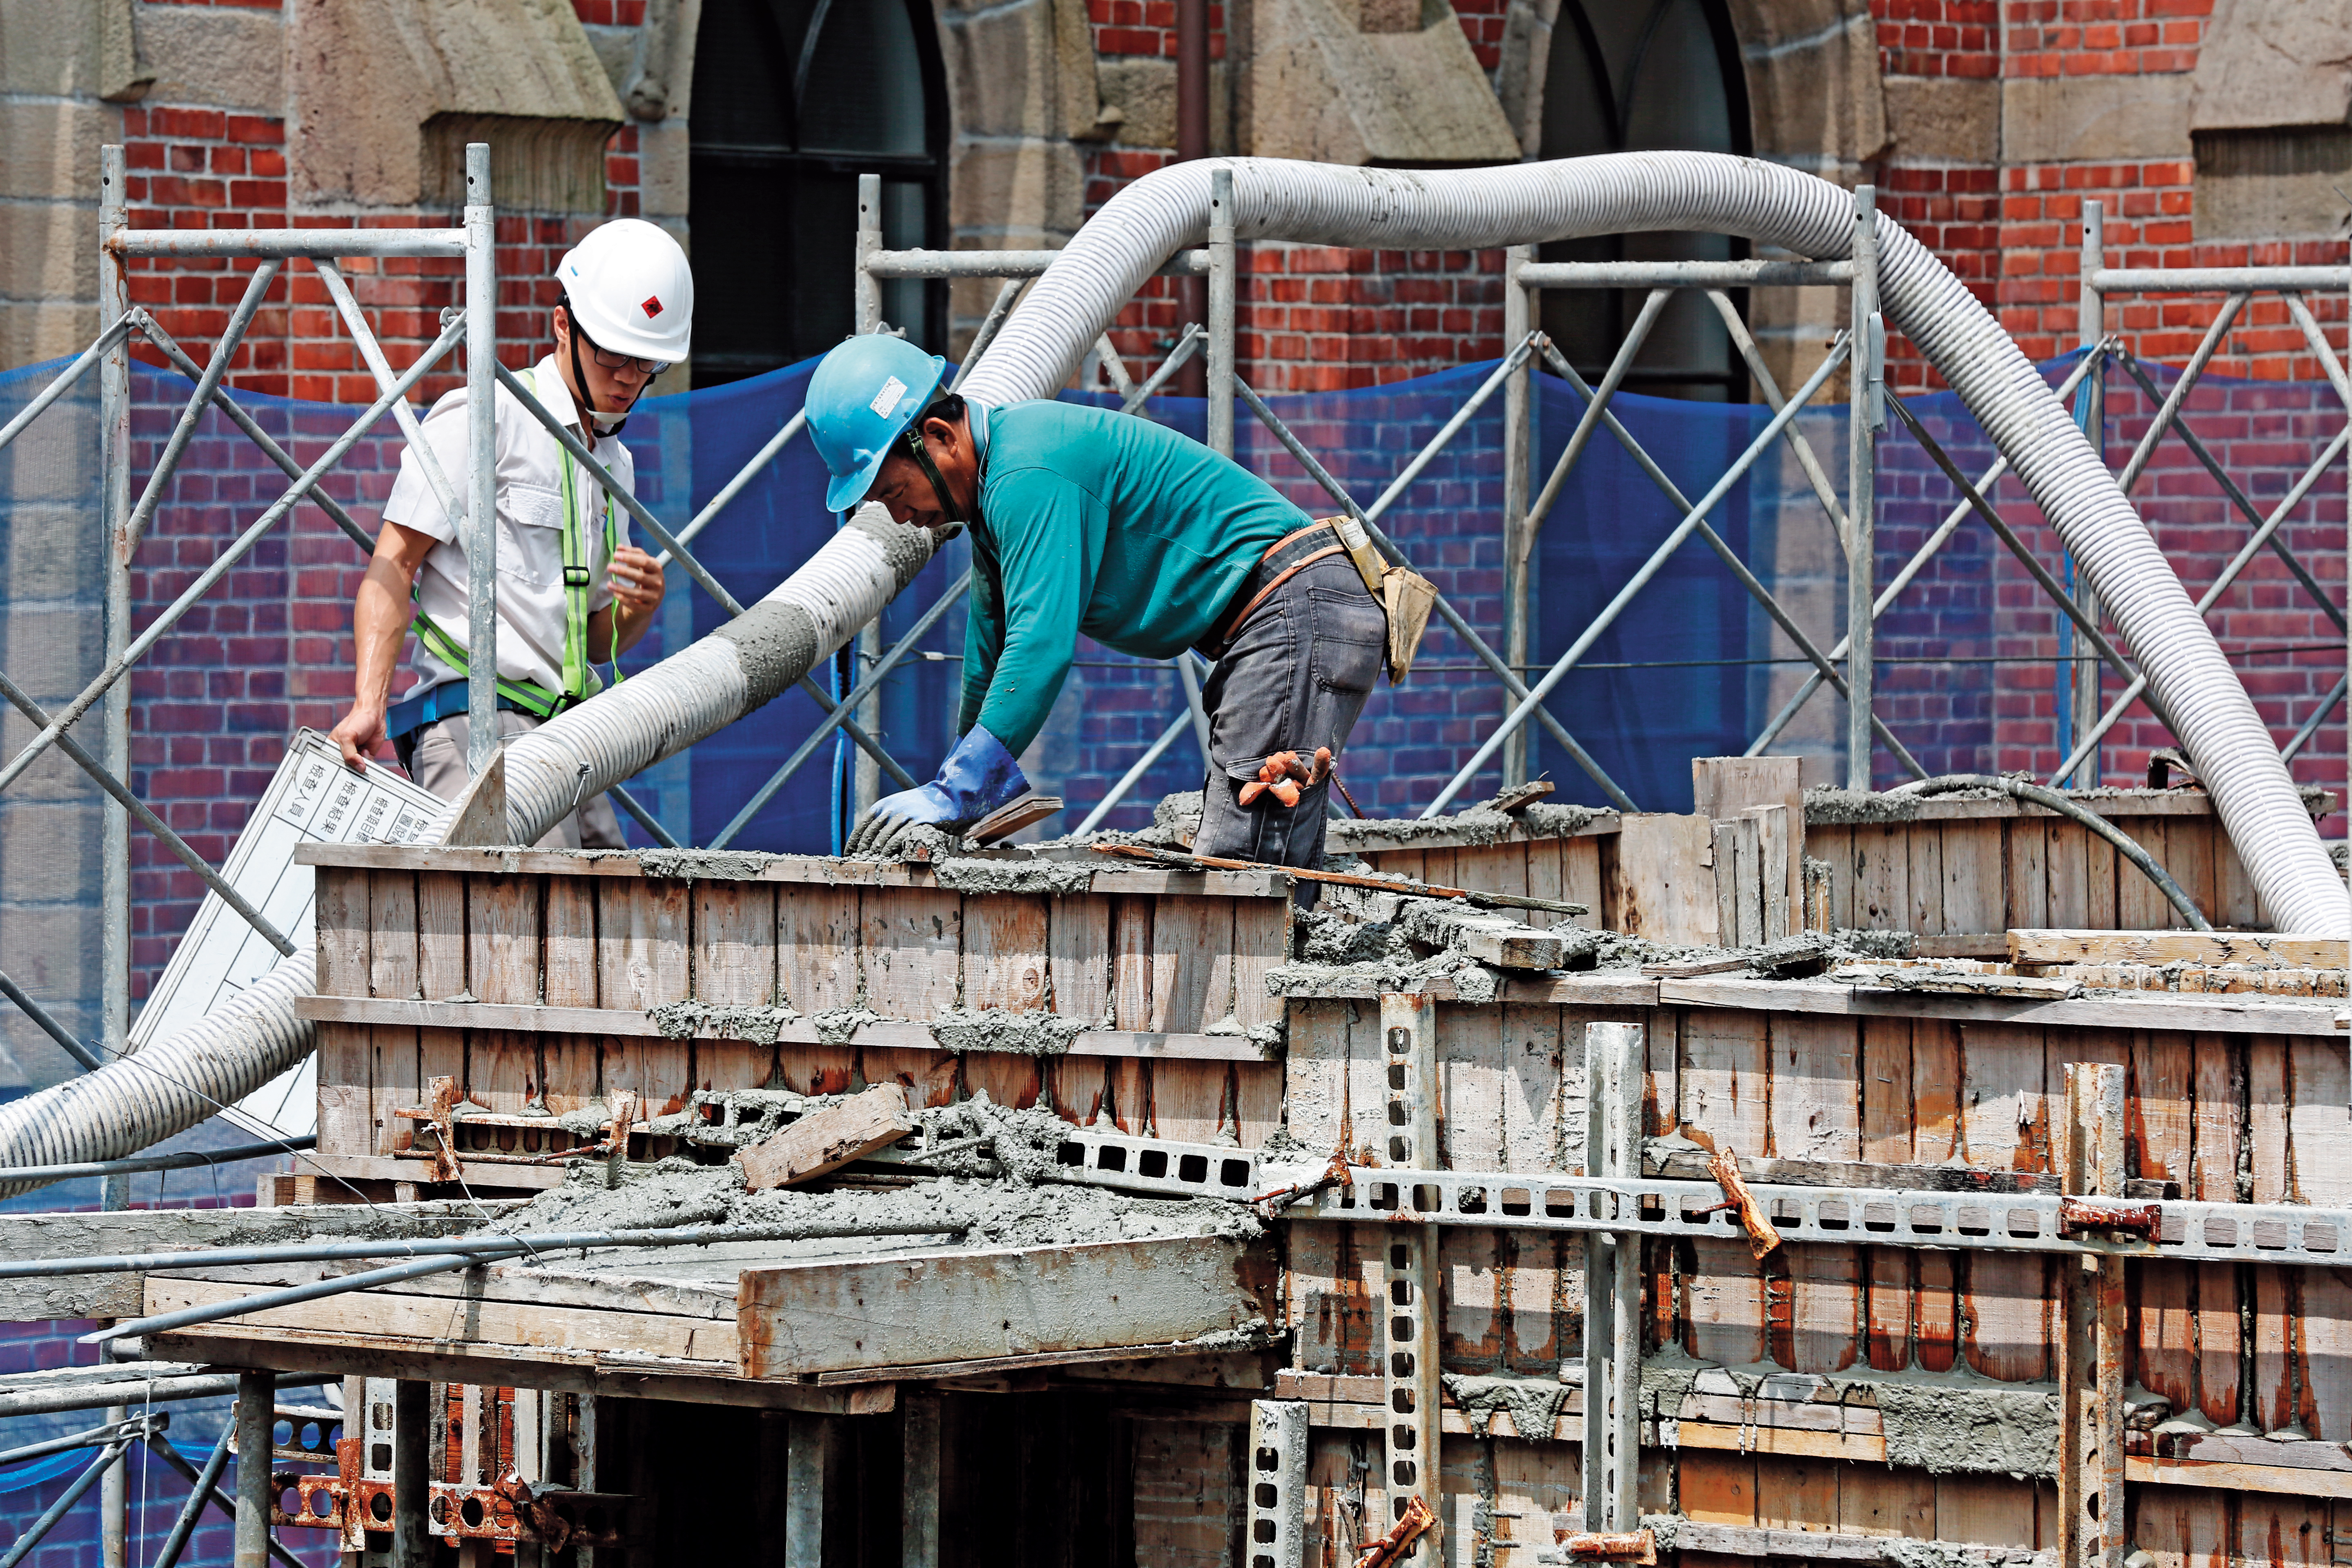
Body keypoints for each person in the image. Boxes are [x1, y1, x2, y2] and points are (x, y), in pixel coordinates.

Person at [806, 333, 1410, 883]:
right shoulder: (997, 492)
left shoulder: (1027, 471)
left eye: (892, 491)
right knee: (1264, 862)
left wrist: (957, 789)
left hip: (1291, 607)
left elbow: (1039, 645)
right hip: (1288, 611)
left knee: (1243, 873)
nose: (901, 515)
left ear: (939, 437)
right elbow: (989, 652)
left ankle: (1261, 1002)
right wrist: (957, 790)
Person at [327, 219, 691, 847]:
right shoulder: (485, 414)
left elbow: (599, 635)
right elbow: (394, 563)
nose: (631, 376)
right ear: (562, 327)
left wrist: (639, 608)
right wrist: (369, 703)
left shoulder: (615, 463)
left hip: (573, 739)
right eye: (614, 353)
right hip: (478, 725)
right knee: (517, 933)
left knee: (606, 927)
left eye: (648, 362)